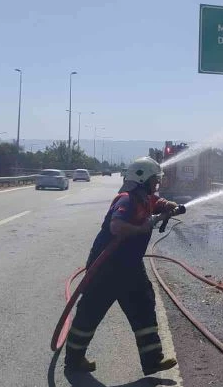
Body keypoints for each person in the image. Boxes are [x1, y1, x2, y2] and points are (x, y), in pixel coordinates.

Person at [64, 156, 183, 375]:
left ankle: (152, 360)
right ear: (143, 179)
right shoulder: (126, 200)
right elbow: (116, 226)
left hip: (130, 267)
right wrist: (141, 228)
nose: (157, 183)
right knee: (90, 313)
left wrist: (169, 206)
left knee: (144, 307)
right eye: (154, 179)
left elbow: (157, 202)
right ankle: (74, 361)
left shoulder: (145, 198)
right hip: (106, 268)